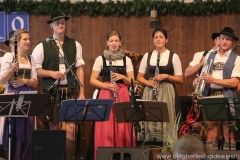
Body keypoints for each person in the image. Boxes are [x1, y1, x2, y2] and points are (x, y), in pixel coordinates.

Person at [31, 10, 85, 159]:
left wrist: (81, 93)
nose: (60, 25)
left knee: (72, 129)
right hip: (52, 91)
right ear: (51, 25)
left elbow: (80, 69)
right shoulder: (42, 46)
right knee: (54, 127)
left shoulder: (75, 44)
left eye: (62, 22)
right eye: (57, 23)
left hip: (71, 90)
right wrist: (51, 73)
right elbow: (36, 71)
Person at [90, 31, 136, 159]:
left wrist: (122, 77)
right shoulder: (100, 59)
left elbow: (132, 82)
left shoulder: (127, 60)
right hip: (106, 93)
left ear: (120, 43)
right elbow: (92, 80)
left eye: (116, 41)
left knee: (122, 126)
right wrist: (106, 86)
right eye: (111, 41)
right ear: (107, 43)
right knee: (106, 127)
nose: (114, 43)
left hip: (122, 94)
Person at [196, 27, 240, 150]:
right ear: (218, 40)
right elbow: (204, 76)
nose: (225, 41)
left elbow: (234, 82)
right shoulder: (210, 56)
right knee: (210, 134)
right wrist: (199, 81)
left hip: (228, 96)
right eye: (222, 38)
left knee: (229, 134)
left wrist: (213, 80)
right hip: (211, 95)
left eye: (228, 39)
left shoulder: (237, 59)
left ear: (232, 42)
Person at [136, 28, 183, 142]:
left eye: (161, 37)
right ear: (153, 40)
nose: (158, 39)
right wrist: (148, 82)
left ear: (166, 40)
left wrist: (166, 76)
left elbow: (180, 79)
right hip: (150, 91)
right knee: (150, 124)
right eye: (156, 37)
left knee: (166, 123)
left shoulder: (173, 56)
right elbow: (139, 77)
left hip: (166, 91)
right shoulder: (147, 56)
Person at [0, 29, 38, 160]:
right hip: (13, 94)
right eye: (25, 39)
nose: (28, 41)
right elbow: (1, 79)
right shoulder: (9, 57)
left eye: (29, 39)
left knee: (27, 131)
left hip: (27, 95)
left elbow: (34, 81)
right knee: (13, 131)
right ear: (16, 42)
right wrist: (12, 70)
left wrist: (24, 81)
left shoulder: (30, 58)